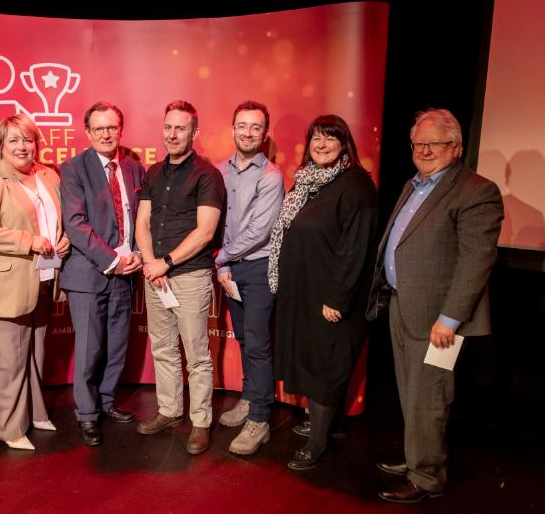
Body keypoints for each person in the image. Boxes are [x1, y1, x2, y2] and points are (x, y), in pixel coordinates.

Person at [367, 108, 503, 503]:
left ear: (456, 147)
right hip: (401, 305)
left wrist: (450, 319)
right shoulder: (414, 185)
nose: (424, 150)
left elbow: (476, 260)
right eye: (418, 143)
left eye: (435, 143)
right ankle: (417, 458)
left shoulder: (477, 190)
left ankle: (426, 477)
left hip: (438, 319)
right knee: (410, 392)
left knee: (429, 397)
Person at [267, 114, 378, 471]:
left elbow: (355, 249)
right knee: (314, 362)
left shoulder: (356, 185)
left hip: (332, 299)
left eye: (330, 138)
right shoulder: (307, 183)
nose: (321, 144)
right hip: (305, 292)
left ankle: (318, 442)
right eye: (316, 137)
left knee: (326, 367)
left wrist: (337, 298)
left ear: (344, 144)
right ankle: (325, 424)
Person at [0, 114, 70, 451]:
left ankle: (36, 413)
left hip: (42, 277)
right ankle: (9, 427)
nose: (22, 146)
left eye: (27, 139)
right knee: (7, 361)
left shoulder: (47, 175)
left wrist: (63, 238)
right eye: (14, 140)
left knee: (36, 354)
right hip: (5, 283)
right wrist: (30, 240)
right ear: (1, 145)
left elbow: (59, 219)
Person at [134, 100, 226, 455]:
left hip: (188, 275)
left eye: (181, 128)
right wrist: (150, 262)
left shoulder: (207, 176)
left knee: (196, 354)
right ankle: (170, 411)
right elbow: (143, 222)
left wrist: (166, 262)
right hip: (154, 274)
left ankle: (200, 421)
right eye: (168, 127)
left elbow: (205, 232)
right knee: (163, 348)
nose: (173, 134)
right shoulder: (154, 173)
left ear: (194, 133)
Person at [60, 102, 145, 446]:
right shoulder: (73, 169)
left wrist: (138, 253)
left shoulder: (134, 169)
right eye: (99, 129)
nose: (106, 134)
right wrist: (113, 260)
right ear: (88, 133)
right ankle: (87, 414)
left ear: (121, 130)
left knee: (116, 344)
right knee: (90, 348)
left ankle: (107, 402)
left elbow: (142, 218)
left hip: (127, 273)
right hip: (89, 274)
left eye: (112, 127)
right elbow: (76, 225)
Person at [215, 101, 283, 455]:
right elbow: (216, 225)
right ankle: (248, 396)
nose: (247, 132)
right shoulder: (217, 172)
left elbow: (260, 231)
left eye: (255, 127)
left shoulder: (271, 176)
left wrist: (221, 259)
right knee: (243, 338)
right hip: (229, 269)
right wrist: (224, 267)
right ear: (232, 129)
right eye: (242, 125)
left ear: (264, 133)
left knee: (257, 343)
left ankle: (260, 418)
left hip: (257, 269)